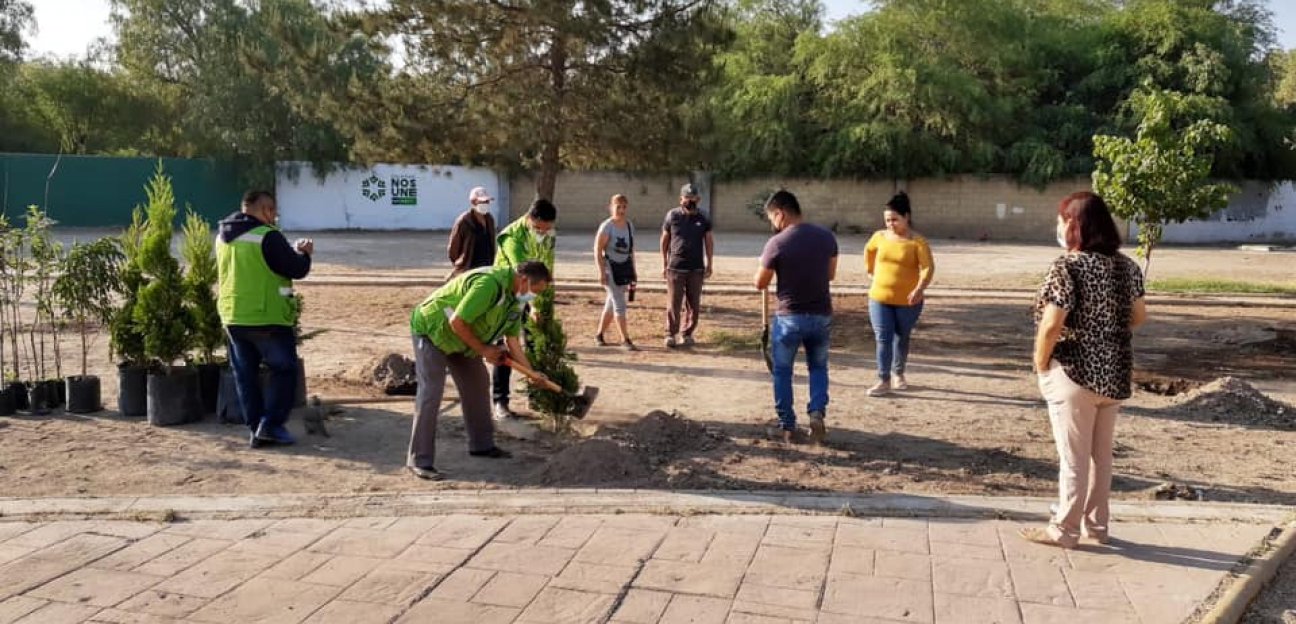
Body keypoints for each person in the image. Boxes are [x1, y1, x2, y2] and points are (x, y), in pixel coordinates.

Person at [1020, 191, 1147, 548]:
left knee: (1073, 458)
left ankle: (1064, 530)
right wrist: (1107, 335)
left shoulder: (1068, 266)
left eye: (1061, 220)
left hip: (1074, 372)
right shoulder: (1128, 267)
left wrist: (1041, 361)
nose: (1058, 227)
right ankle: (1097, 526)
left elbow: (1051, 324)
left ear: (1074, 225)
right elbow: (1140, 316)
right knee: (1101, 458)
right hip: (1115, 373)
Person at [407, 261, 552, 480]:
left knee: (478, 384)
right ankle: (420, 460)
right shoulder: (488, 285)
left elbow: (513, 341)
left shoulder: (516, 300)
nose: (534, 297)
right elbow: (458, 321)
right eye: (535, 291)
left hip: (463, 341)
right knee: (431, 393)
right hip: (432, 332)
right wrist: (484, 349)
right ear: (523, 280)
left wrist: (531, 373)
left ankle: (482, 445)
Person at [216, 190, 313, 448]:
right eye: (274, 212)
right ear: (267, 210)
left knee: (245, 376)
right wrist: (304, 253)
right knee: (284, 369)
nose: (275, 218)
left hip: (233, 316)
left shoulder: (223, 237)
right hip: (267, 317)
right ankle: (270, 425)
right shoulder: (267, 237)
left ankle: (255, 427)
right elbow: (295, 268)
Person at [754, 190, 838, 444]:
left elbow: (760, 283)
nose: (772, 224)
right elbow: (830, 275)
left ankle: (787, 425)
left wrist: (765, 265)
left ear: (780, 214)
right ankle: (816, 412)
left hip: (789, 318)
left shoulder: (777, 243)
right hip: (821, 315)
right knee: (818, 367)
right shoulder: (826, 238)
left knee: (782, 371)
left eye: (771, 218)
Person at [491, 198, 557, 420]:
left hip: (532, 294)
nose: (543, 233)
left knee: (534, 343)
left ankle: (538, 396)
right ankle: (501, 401)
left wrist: (545, 301)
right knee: (505, 348)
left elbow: (547, 269)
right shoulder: (513, 237)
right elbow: (524, 275)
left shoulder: (548, 234)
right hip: (506, 295)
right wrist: (535, 305)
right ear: (530, 219)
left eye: (547, 229)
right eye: (539, 228)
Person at [864, 191, 933, 396]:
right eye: (887, 220)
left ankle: (898, 372)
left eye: (895, 219)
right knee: (883, 337)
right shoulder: (879, 237)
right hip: (879, 298)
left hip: (908, 300)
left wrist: (919, 288)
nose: (890, 224)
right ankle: (883, 379)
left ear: (906, 217)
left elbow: (927, 268)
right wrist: (870, 271)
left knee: (901, 337)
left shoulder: (917, 242)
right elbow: (868, 251)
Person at [660, 183, 714, 348]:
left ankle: (687, 333)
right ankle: (671, 334)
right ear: (681, 198)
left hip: (696, 267)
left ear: (698, 199)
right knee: (674, 302)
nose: (690, 200)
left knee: (694, 303)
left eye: (693, 198)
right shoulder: (672, 216)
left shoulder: (703, 217)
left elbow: (709, 240)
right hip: (676, 266)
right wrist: (664, 262)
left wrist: (710, 263)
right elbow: (664, 239)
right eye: (686, 197)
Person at [594, 194, 638, 350]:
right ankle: (624, 339)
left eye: (624, 207)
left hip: (624, 268)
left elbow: (631, 250)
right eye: (618, 206)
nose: (621, 210)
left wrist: (633, 270)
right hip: (610, 268)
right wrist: (601, 272)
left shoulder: (629, 225)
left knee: (612, 303)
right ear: (611, 207)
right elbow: (598, 250)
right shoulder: (607, 226)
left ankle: (599, 335)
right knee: (619, 303)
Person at [446, 186, 497, 277]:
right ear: (473, 202)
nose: (486, 204)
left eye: (487, 201)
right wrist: (459, 263)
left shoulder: (489, 219)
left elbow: (492, 241)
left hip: (487, 265)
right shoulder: (464, 221)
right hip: (469, 266)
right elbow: (454, 247)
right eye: (482, 201)